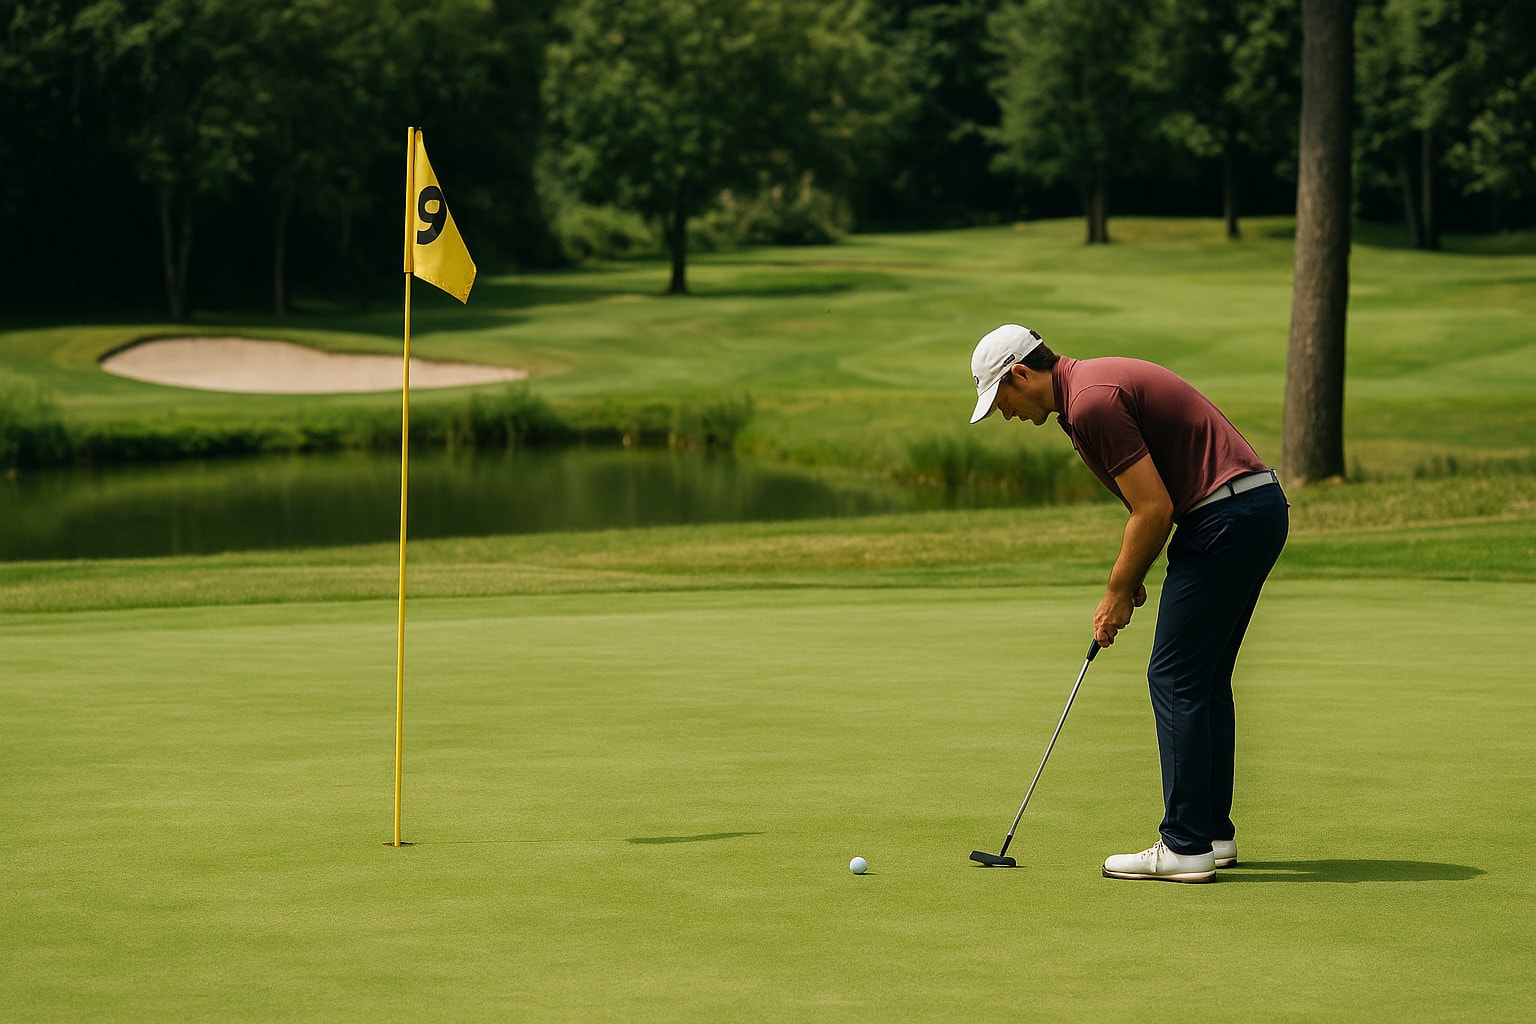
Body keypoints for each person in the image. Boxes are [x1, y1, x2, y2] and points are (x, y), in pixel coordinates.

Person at [969, 323, 1289, 883]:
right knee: (1204, 679)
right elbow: (1154, 502)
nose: (1006, 414)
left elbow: (1154, 509)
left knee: (1174, 678)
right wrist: (1132, 570)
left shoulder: (1091, 402)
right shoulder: (1083, 397)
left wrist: (1117, 591)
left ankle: (1185, 845)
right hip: (1249, 511)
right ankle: (1211, 834)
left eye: (1003, 399)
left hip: (1224, 518)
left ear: (1021, 373)